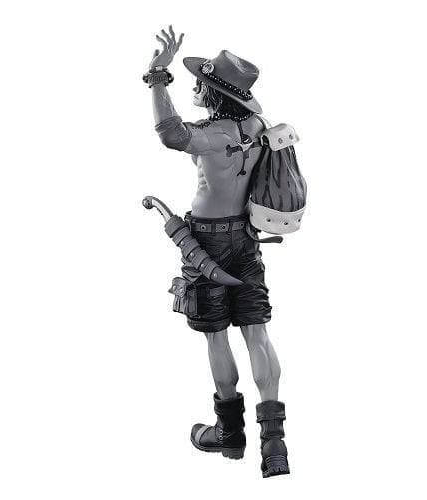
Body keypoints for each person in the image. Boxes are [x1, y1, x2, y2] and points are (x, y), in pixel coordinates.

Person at [144, 26, 290, 478]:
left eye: (200, 84)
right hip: (245, 238)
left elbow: (170, 133)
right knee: (257, 333)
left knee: (217, 335)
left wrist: (157, 76)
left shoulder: (213, 133)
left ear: (214, 92)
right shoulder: (257, 127)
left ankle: (230, 434)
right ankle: (275, 446)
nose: (195, 89)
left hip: (206, 242)